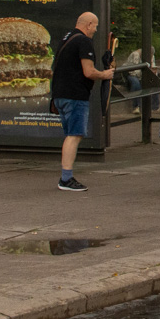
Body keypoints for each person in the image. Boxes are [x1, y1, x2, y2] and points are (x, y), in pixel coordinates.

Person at [49, 12, 113, 192]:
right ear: (88, 24)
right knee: (74, 135)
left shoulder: (66, 38)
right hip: (75, 95)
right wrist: (105, 75)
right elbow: (88, 71)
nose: (96, 29)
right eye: (95, 26)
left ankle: (66, 177)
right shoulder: (84, 41)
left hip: (60, 95)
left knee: (70, 135)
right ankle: (66, 178)